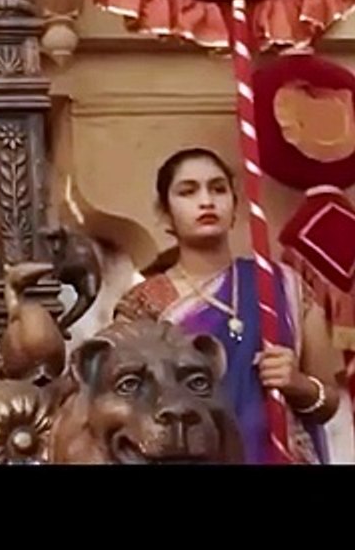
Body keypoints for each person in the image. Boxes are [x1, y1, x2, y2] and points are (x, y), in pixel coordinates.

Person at [115, 148, 347, 464]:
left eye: (218, 189)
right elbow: (124, 410)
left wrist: (298, 384)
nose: (206, 201)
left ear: (235, 207)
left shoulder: (285, 286)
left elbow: (329, 402)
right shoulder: (143, 305)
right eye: (188, 191)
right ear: (165, 215)